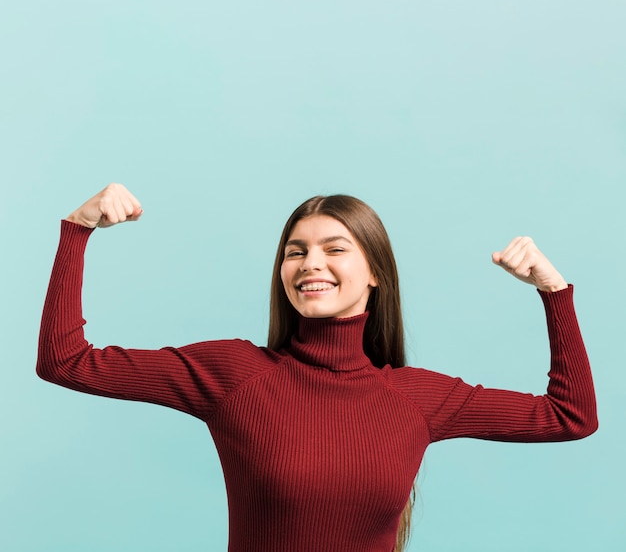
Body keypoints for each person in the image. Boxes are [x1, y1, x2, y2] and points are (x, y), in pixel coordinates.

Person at [38, 183, 598, 552]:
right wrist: (77, 228)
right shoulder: (232, 374)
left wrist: (554, 291)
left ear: (375, 272)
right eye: (295, 251)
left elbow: (571, 417)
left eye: (335, 249)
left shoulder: (416, 399)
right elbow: (65, 362)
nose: (311, 265)